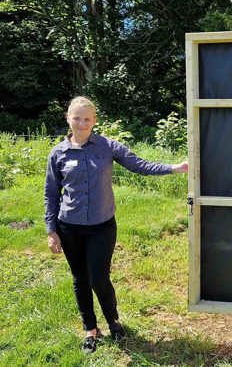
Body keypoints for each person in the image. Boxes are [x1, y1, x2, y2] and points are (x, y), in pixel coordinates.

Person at [44, 96, 188, 353]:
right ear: (68, 118)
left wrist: (174, 168)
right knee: (80, 278)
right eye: (77, 118)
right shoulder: (58, 153)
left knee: (99, 278)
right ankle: (90, 328)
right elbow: (51, 194)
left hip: (102, 226)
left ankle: (113, 321)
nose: (81, 123)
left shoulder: (107, 146)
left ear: (94, 121)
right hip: (70, 227)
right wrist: (51, 230)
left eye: (87, 119)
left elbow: (140, 165)